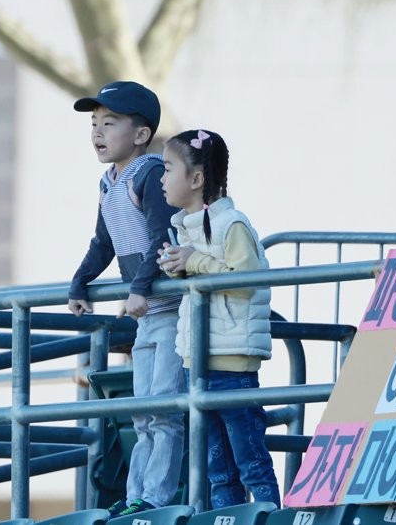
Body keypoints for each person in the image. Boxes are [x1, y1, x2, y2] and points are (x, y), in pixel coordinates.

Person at [68, 81, 186, 517]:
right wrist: (80, 283)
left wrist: (139, 288)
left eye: (110, 123)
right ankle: (137, 494)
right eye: (95, 124)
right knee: (141, 410)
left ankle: (155, 496)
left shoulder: (151, 174)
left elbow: (163, 235)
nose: (98, 132)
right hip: (145, 316)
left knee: (163, 410)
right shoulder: (108, 182)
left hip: (171, 311)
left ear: (140, 134)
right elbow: (104, 242)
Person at [157, 129, 281, 509]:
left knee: (250, 460)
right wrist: (177, 267)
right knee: (217, 468)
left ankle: (268, 517)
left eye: (167, 169)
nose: (161, 179)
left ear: (196, 179)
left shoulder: (233, 224)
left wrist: (192, 261)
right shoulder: (185, 227)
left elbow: (245, 283)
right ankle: (228, 519)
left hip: (233, 361)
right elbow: (209, 273)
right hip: (197, 361)